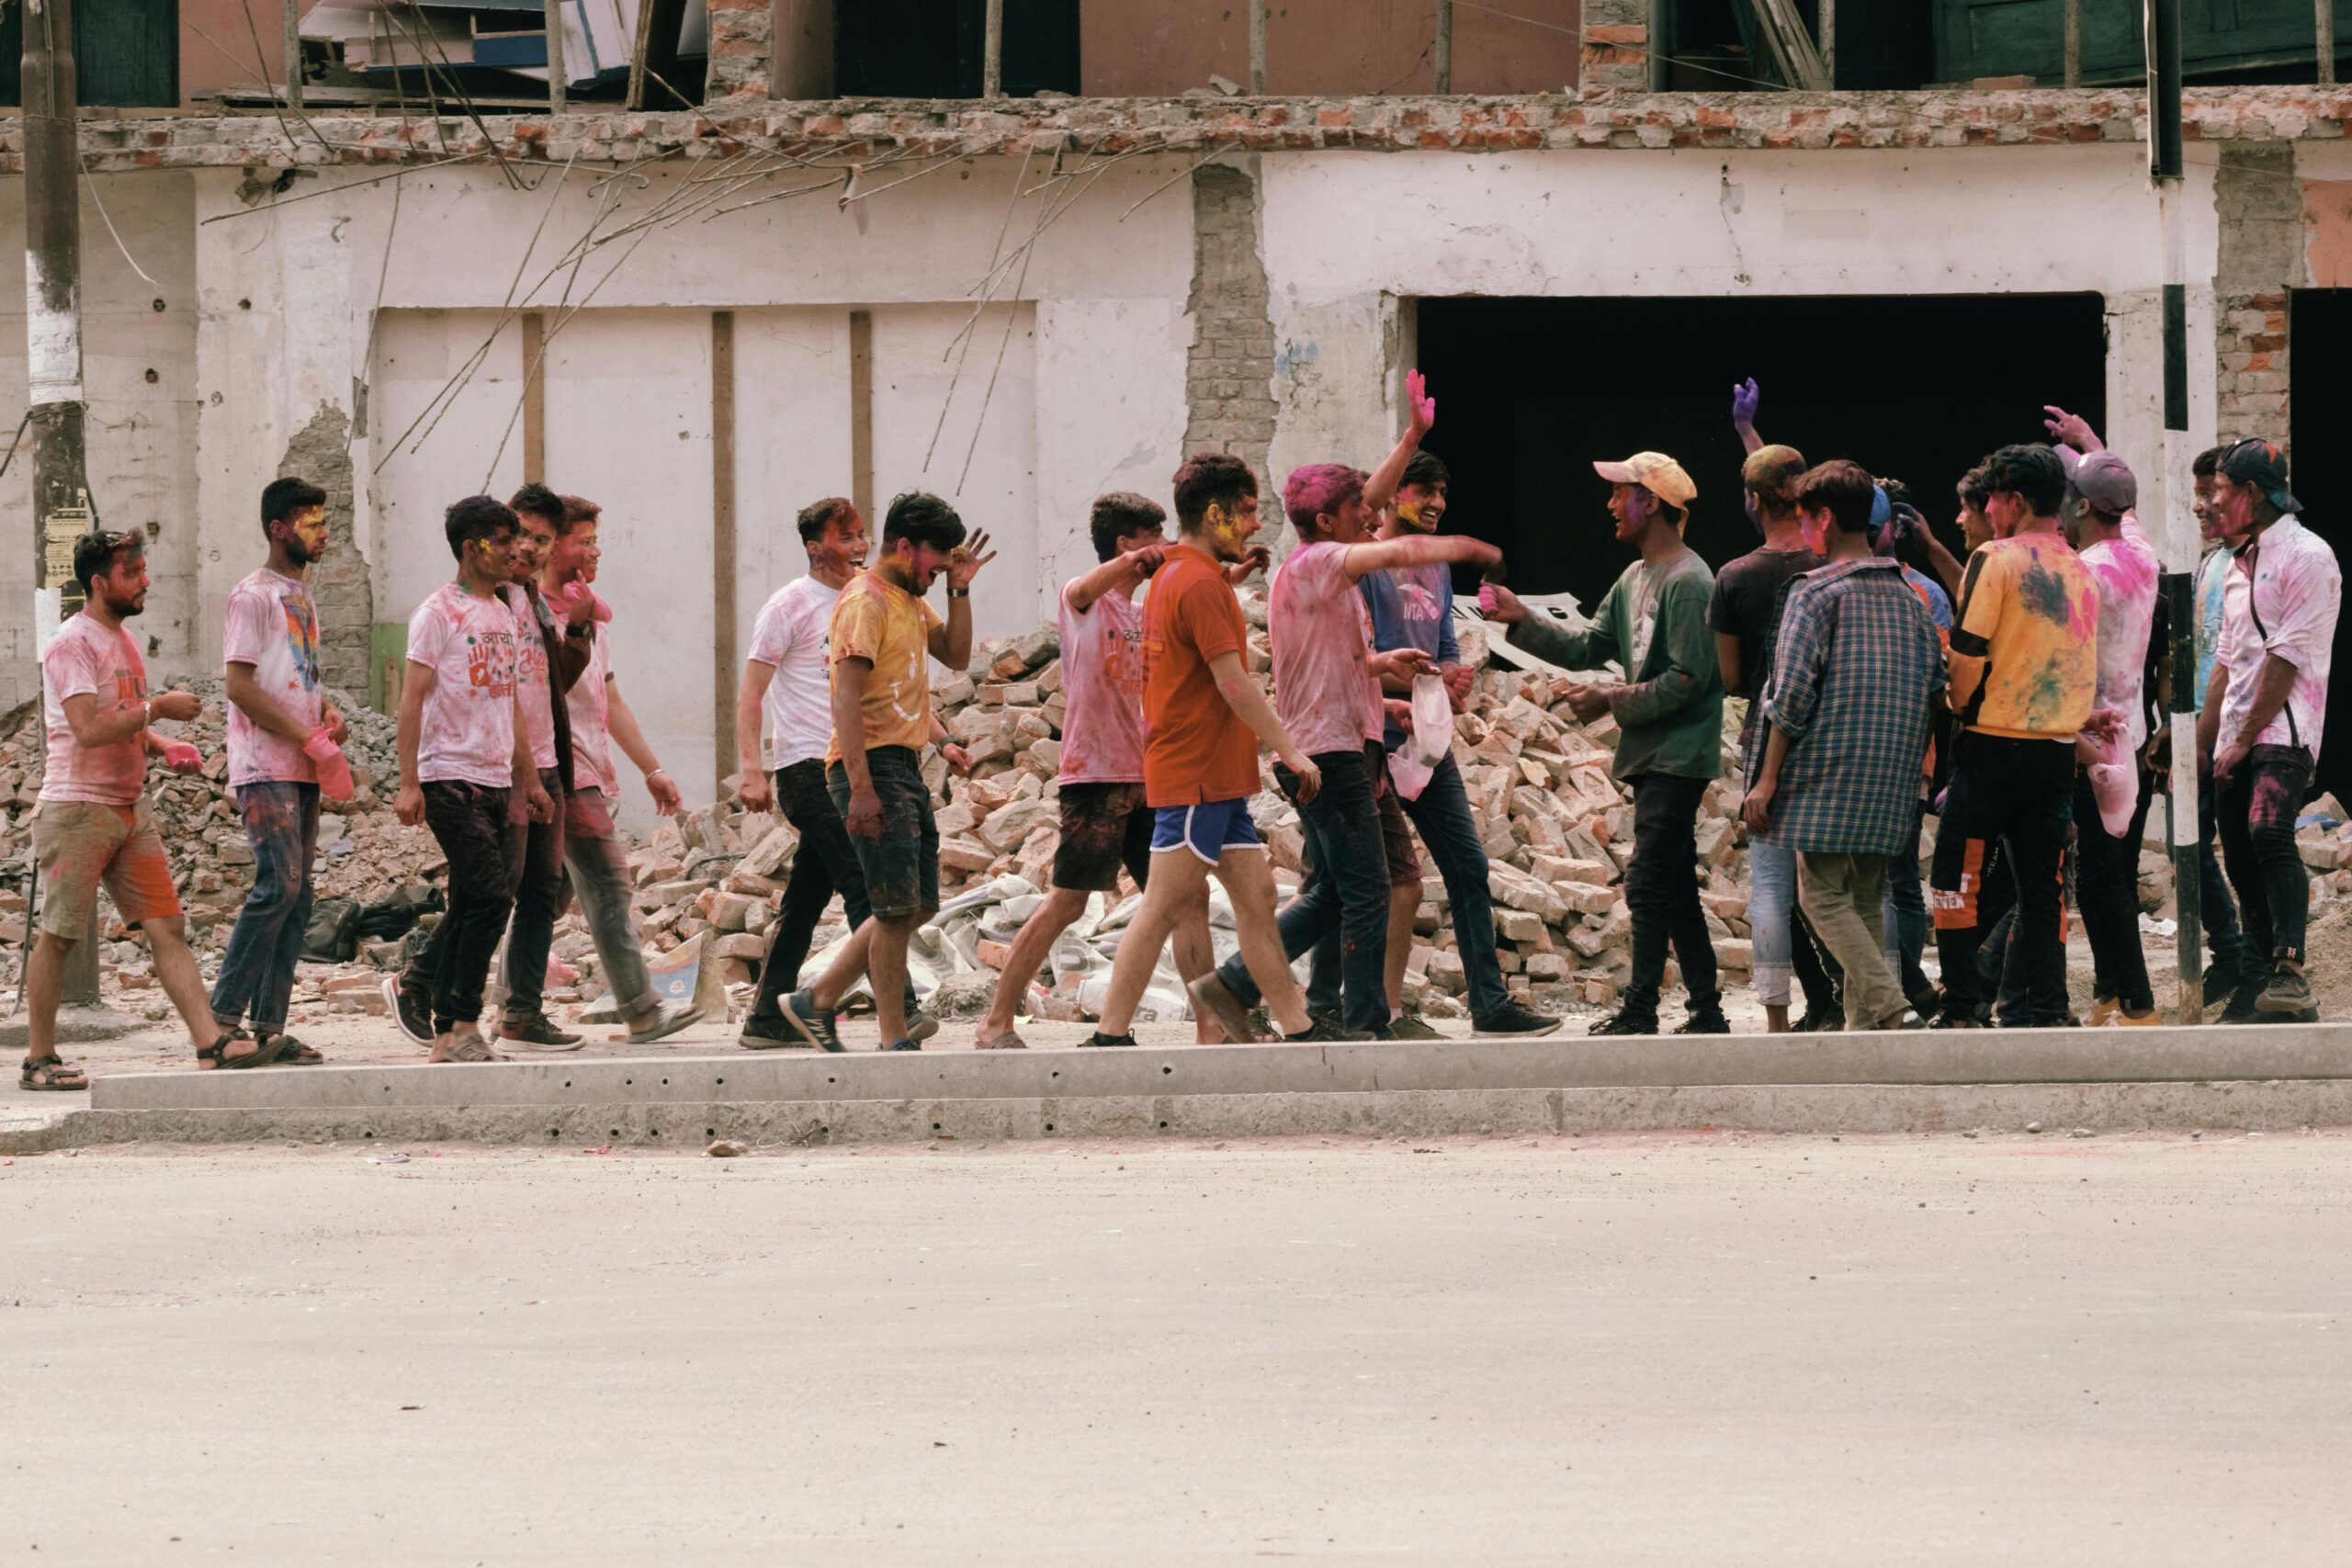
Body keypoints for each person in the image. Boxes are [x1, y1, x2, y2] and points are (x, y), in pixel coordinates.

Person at [1185, 458, 1502, 1040]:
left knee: (1349, 887)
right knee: (1368, 890)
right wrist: (1469, 547)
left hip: (1347, 748)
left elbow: (1332, 665)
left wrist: (1383, 685)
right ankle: (1363, 1024)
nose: (1371, 516)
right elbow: (1397, 550)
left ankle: (1234, 984)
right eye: (1359, 508)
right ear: (1328, 520)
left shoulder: (1324, 578)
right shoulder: (1320, 561)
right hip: (1328, 756)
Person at [1306, 376, 1556, 1037]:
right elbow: (1350, 658)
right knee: (1340, 883)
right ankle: (1321, 1004)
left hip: (1421, 742)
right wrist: (1411, 434)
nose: (1439, 503)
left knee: (1467, 865)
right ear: (1395, 497)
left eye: (1444, 492)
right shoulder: (1361, 563)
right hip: (1361, 739)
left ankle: (1489, 1003)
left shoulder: (1437, 572)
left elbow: (1443, 648)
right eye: (1426, 491)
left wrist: (1451, 678)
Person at [1085, 454, 1342, 1048]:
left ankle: (1297, 1026)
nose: (1255, 523)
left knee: (1258, 897)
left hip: (1215, 778)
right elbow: (1233, 683)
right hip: (1196, 775)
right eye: (1246, 512)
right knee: (1162, 905)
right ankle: (1109, 1035)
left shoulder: (1182, 573)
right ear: (1213, 513)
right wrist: (1291, 751)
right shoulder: (1198, 583)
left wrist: (1232, 576)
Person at [1482, 451, 1727, 1036]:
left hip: (1679, 756)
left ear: (1652, 502)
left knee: (1646, 882)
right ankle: (1707, 1010)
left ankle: (1641, 1010)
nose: (1611, 504)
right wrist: (1521, 618)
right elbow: (1588, 647)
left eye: (1621, 492)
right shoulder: (1636, 578)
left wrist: (1610, 699)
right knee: (1673, 887)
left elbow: (1692, 679)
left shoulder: (1690, 582)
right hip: (1653, 755)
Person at [974, 493, 1231, 1049]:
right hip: (1095, 777)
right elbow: (1086, 588)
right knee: (1069, 901)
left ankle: (1212, 1028)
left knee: (1189, 899)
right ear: (1125, 543)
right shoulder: (1083, 601)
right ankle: (995, 1021)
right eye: (1153, 536)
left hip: (1152, 779)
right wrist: (1135, 561)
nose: (1163, 545)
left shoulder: (1144, 613)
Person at [19, 532, 261, 1091]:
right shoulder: (71, 643)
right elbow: (87, 728)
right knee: (59, 935)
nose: (145, 581)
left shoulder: (122, 639)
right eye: (132, 573)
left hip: (128, 811)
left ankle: (210, 1044)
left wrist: (160, 744)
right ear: (98, 582)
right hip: (77, 810)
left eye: (144, 570)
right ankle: (39, 1059)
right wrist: (159, 709)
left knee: (167, 925)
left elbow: (121, 720)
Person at [775, 493, 994, 1052]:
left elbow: (957, 655)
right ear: (904, 546)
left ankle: (817, 999)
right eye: (937, 557)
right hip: (871, 765)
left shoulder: (909, 599)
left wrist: (959, 588)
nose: (941, 567)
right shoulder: (864, 601)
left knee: (919, 905)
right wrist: (861, 790)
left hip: (904, 764)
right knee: (893, 911)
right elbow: (845, 700)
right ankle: (895, 1038)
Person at [1740, 460, 1943, 1032]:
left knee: (1821, 896)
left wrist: (1767, 779)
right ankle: (1863, 1031)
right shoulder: (1910, 596)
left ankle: (1894, 1009)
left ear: (1824, 518)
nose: (1803, 532)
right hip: (1891, 775)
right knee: (1865, 900)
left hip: (1828, 775)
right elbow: (1934, 687)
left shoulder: (1815, 593)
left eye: (1805, 520)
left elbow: (1789, 696)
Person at [735, 498, 934, 1048]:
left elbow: (886, 684)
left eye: (861, 534)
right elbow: (751, 692)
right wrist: (752, 768)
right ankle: (902, 1011)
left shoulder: (872, 598)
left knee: (806, 896)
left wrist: (942, 737)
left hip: (854, 758)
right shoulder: (789, 605)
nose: (858, 546)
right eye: (845, 537)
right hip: (810, 766)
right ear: (813, 547)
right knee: (870, 887)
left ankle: (769, 1018)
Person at [1928, 445, 2102, 1029]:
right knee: (2043, 887)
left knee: (1957, 878)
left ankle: (1960, 1008)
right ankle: (2050, 1009)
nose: (1987, 511)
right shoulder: (2082, 569)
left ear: (2017, 501)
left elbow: (1968, 650)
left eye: (1994, 500)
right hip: (2055, 754)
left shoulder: (1995, 559)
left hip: (1990, 746)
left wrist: (1957, 704)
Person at [390, 496, 551, 1064]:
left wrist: (529, 780)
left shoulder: (503, 614)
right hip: (448, 777)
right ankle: (458, 1024)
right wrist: (408, 782)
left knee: (471, 901)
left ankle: (445, 1032)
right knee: (489, 897)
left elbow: (511, 704)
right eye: (502, 541)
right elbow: (410, 700)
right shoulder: (438, 612)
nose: (515, 550)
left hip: (495, 780)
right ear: (471, 548)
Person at [538, 494, 700, 1045]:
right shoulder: (533, 614)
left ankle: (506, 1006)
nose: (596, 551)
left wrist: (652, 769)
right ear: (552, 546)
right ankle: (642, 1009)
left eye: (596, 540)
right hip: (559, 772)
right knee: (609, 883)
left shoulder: (590, 616)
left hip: (587, 770)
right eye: (583, 541)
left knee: (544, 897)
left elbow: (611, 701)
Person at [207, 476, 345, 1067]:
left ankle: (269, 1030)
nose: (323, 532)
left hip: (302, 764)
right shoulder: (252, 595)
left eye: (323, 521)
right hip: (265, 764)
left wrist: (325, 710)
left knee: (299, 892)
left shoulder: (302, 597)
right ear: (278, 528)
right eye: (312, 522)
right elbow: (239, 686)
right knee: (278, 886)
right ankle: (218, 1024)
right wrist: (304, 735)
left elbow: (291, 677)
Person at [2202, 437, 2341, 1021]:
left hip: (2285, 727)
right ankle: (2259, 978)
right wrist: (2205, 741)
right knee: (2237, 853)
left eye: (2220, 490)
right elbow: (2227, 660)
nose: (2211, 502)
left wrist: (2241, 740)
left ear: (2251, 494)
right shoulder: (2241, 563)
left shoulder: (2307, 556)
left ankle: (2290, 970)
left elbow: (2287, 657)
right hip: (2238, 731)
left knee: (2268, 831)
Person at [1710, 436, 1832, 1034]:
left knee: (1771, 887)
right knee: (1841, 886)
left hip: (1765, 742)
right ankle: (1858, 1009)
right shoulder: (1831, 569)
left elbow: (1732, 677)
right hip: (1831, 742)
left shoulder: (1735, 577)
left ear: (1754, 500)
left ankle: (1777, 1021)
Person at [485, 483, 590, 1049]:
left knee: (540, 895)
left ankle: (521, 1015)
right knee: (492, 891)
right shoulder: (487, 600)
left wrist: (579, 630)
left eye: (542, 540)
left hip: (547, 761)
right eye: (521, 534)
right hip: (504, 767)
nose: (529, 548)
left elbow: (554, 683)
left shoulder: (532, 602)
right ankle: (418, 983)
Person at [2060, 449, 2162, 1025]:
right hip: (2133, 736)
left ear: (2080, 506)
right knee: (2116, 871)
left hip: (2092, 743)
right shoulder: (2141, 555)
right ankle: (2108, 992)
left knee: (2099, 879)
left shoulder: (2084, 572)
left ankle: (2139, 1004)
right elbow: (2129, 511)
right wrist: (2088, 441)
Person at [2184, 446, 2258, 1004]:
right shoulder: (2210, 564)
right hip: (2197, 728)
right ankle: (2230, 952)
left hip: (2239, 732)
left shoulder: (2259, 563)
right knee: (2187, 843)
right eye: (2199, 494)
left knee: (2246, 852)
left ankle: (2256, 964)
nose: (2200, 505)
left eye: (2211, 493)